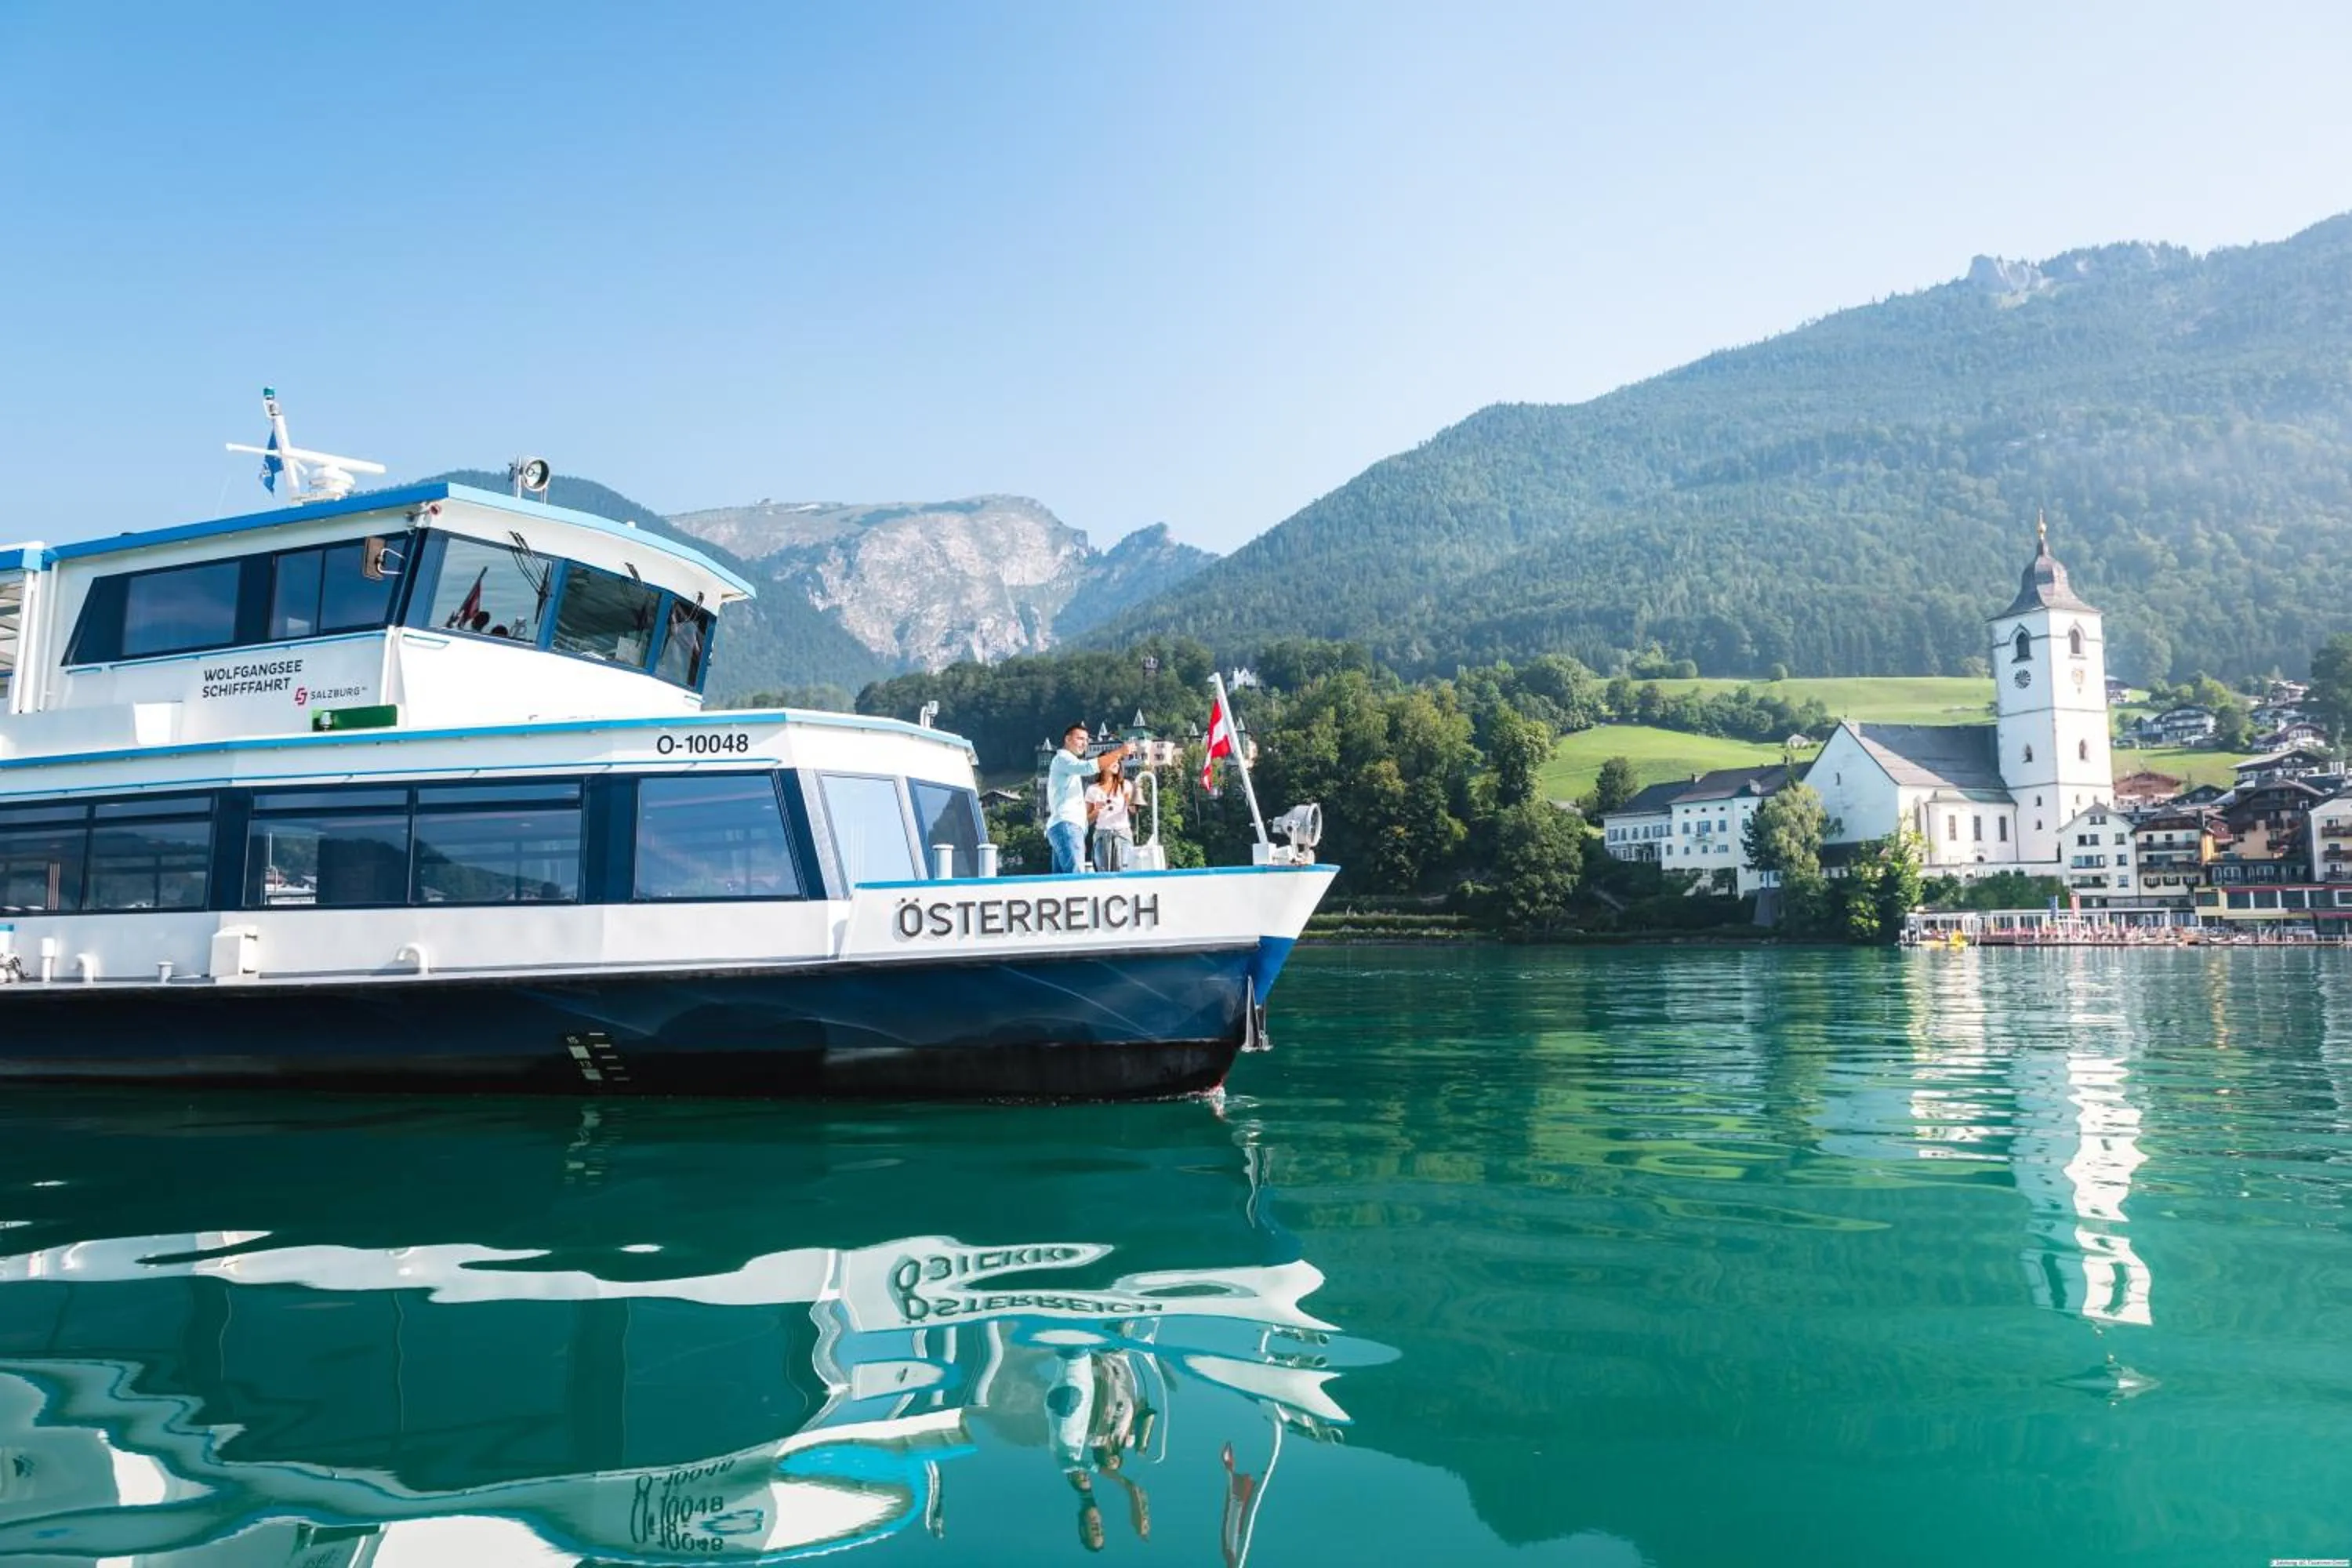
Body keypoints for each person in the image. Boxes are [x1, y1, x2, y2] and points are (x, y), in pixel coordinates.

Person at [1045, 723, 1097, 876]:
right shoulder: (1063, 759)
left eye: (1086, 740)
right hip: (1067, 825)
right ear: (1068, 739)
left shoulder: (1066, 764)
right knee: (1075, 879)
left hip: (1065, 826)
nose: (1084, 744)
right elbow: (1087, 768)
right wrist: (1119, 753)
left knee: (1062, 881)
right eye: (1080, 739)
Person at [1086, 750, 1136, 873]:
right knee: (1102, 873)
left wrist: (1130, 800)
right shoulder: (1092, 790)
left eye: (1117, 762)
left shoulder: (1125, 785)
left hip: (1122, 834)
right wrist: (1096, 810)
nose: (1116, 764)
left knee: (1124, 871)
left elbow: (1134, 811)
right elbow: (1087, 820)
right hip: (1102, 835)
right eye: (1112, 761)